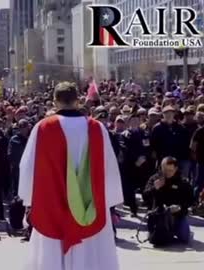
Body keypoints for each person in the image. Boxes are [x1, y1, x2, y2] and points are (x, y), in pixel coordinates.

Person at [19, 82, 123, 270]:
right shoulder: (97, 128)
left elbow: (27, 166)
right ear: (78, 100)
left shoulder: (43, 128)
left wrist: (28, 200)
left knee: (52, 252)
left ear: (55, 101)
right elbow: (110, 166)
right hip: (89, 204)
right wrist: (110, 199)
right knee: (91, 250)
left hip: (53, 201)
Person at [142, 157, 194, 244]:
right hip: (158, 215)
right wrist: (154, 188)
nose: (167, 173)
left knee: (184, 239)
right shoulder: (155, 178)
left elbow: (191, 200)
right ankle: (155, 232)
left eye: (170, 170)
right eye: (164, 169)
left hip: (177, 215)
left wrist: (180, 207)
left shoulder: (182, 181)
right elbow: (145, 197)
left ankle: (181, 232)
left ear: (176, 169)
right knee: (156, 240)